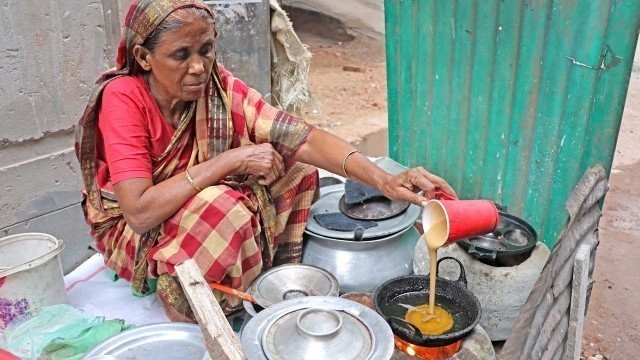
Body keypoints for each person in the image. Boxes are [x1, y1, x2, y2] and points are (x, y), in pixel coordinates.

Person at [75, 0, 456, 322]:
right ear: (143, 56)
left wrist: (383, 180)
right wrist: (230, 161)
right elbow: (139, 212)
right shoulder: (123, 97)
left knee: (295, 170)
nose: (198, 67)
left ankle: (259, 282)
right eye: (181, 55)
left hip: (183, 207)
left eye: (205, 50)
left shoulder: (216, 87)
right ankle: (185, 305)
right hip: (135, 231)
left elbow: (302, 138)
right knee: (223, 207)